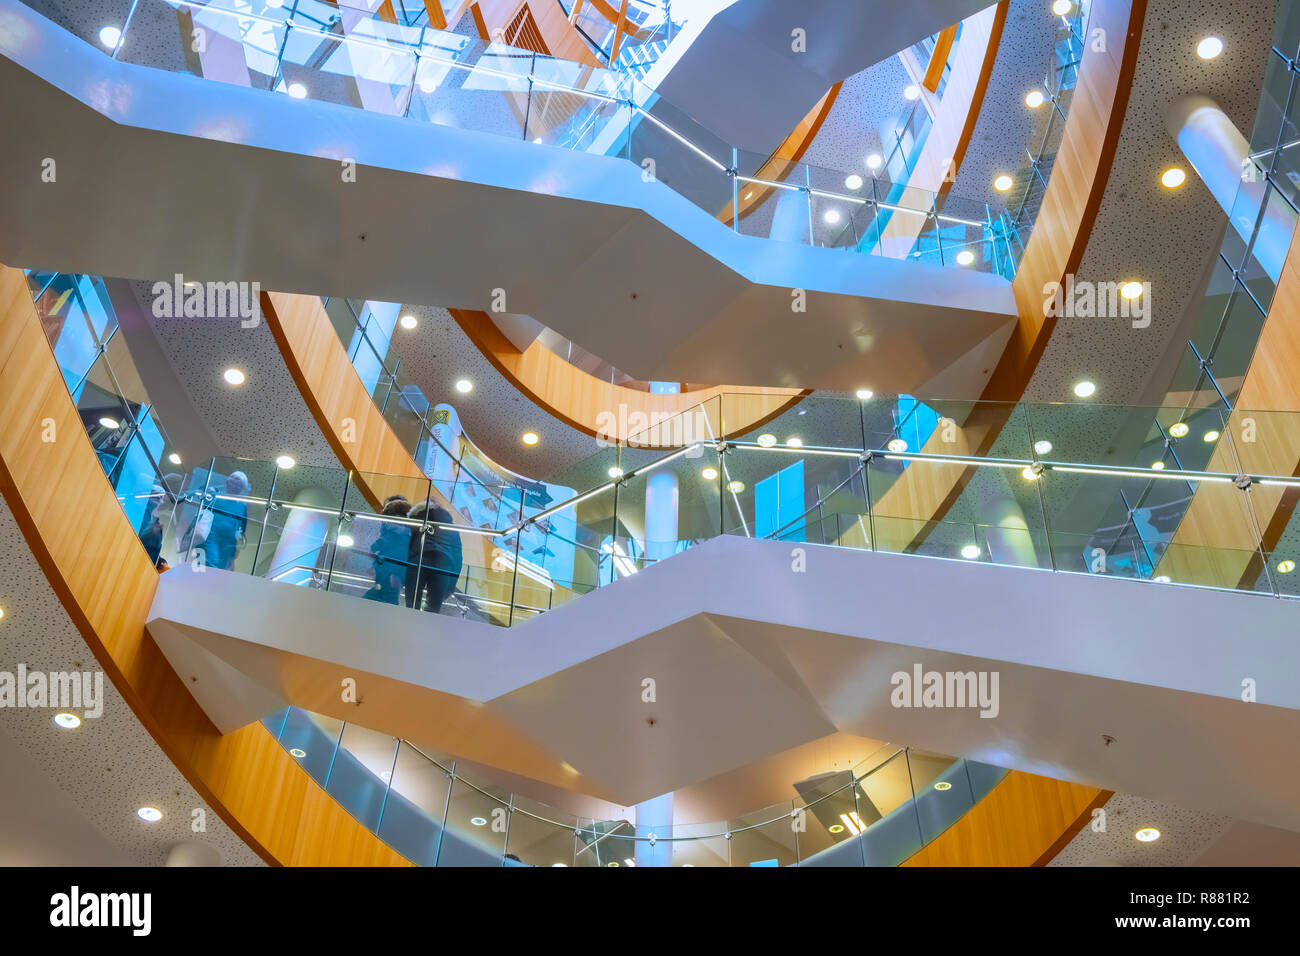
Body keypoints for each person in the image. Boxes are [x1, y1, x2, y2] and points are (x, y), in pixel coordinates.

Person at [406, 501, 462, 613]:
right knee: (433, 609)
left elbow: (408, 545)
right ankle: (425, 629)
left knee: (411, 606)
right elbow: (458, 558)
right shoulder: (451, 528)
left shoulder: (420, 520)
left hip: (418, 561)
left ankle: (409, 626)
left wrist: (402, 571)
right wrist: (451, 586)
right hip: (442, 566)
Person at [364, 495, 412, 605]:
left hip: (391, 574)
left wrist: (375, 548)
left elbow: (384, 546)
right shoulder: (404, 533)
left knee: (386, 599)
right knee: (384, 598)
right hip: (391, 574)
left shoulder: (395, 532)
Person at [203, 470, 250, 571]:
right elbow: (203, 502)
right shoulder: (217, 496)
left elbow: (242, 528)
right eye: (233, 483)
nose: (235, 487)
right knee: (212, 563)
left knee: (222, 566)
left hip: (229, 540)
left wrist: (237, 545)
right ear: (227, 483)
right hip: (212, 535)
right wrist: (210, 490)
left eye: (239, 485)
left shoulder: (242, 506)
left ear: (241, 488)